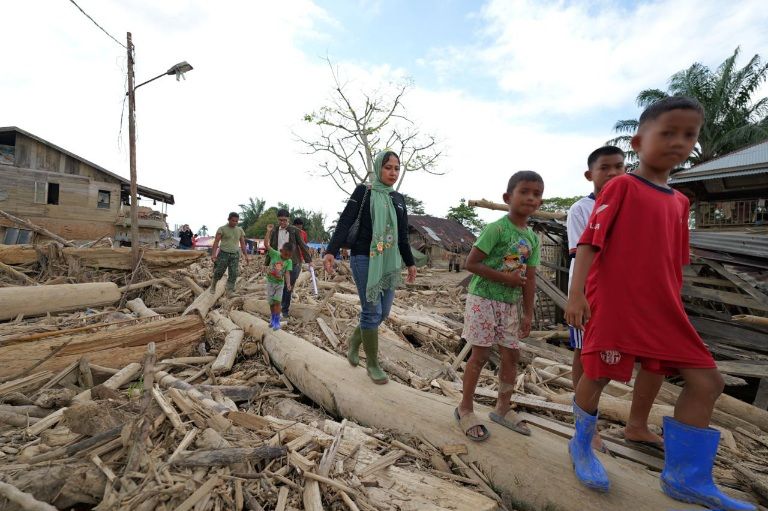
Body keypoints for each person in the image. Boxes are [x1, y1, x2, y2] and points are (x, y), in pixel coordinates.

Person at [565, 97, 754, 510]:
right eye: (667, 133)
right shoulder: (621, 186)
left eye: (689, 135)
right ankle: (581, 445)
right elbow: (589, 243)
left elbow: (674, 262)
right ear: (638, 142)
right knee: (597, 375)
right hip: (616, 303)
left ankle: (686, 479)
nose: (679, 142)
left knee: (708, 382)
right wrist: (576, 295)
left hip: (664, 309)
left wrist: (676, 306)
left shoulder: (680, 202)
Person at [567, 146, 664, 452]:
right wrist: (578, 295)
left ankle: (637, 424)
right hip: (591, 293)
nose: (612, 173)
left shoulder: (634, 205)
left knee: (645, 358)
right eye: (604, 168)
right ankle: (586, 425)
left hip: (627, 295)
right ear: (589, 175)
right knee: (585, 354)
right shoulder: (582, 208)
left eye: (618, 167)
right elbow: (582, 253)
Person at [454, 171, 542, 441]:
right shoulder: (497, 229)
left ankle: (502, 407)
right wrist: (507, 279)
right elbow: (471, 263)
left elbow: (529, 279)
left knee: (511, 355)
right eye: (524, 192)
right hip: (483, 299)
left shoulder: (532, 238)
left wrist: (528, 313)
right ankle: (465, 408)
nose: (531, 198)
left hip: (509, 304)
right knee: (480, 354)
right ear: (507, 197)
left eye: (536, 194)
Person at [323, 149, 417, 384]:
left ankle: (355, 340)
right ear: (378, 168)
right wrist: (331, 251)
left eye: (396, 168)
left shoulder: (398, 199)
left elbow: (402, 236)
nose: (393, 172)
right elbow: (345, 220)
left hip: (389, 262)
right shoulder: (364, 191)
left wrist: (410, 263)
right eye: (388, 167)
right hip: (364, 258)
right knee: (371, 311)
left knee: (382, 312)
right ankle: (372, 364)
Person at [266, 209, 311, 318]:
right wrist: (266, 263)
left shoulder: (295, 231)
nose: (282, 222)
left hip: (294, 263)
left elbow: (303, 246)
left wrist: (309, 261)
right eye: (280, 220)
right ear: (278, 219)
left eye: (284, 220)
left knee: (288, 286)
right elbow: (271, 246)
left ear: (288, 219)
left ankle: (284, 310)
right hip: (279, 263)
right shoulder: (275, 231)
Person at [209, 212, 249, 298]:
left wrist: (246, 255)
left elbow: (243, 244)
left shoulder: (240, 230)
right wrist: (213, 254)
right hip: (223, 253)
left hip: (235, 254)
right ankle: (213, 285)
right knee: (219, 271)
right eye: (233, 220)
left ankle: (229, 291)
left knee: (234, 273)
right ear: (228, 219)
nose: (235, 222)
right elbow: (216, 242)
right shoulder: (222, 229)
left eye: (236, 221)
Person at [264, 224, 293, 330]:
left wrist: (288, 283)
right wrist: (268, 231)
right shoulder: (275, 254)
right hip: (270, 282)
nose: (286, 257)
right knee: (271, 303)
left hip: (280, 284)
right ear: (281, 251)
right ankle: (273, 318)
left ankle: (277, 321)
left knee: (277, 302)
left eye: (289, 256)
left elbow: (287, 273)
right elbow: (266, 244)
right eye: (285, 255)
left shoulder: (289, 261)